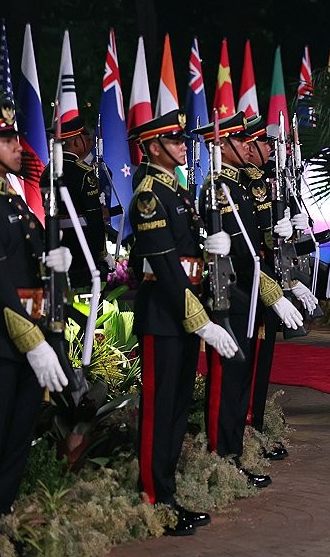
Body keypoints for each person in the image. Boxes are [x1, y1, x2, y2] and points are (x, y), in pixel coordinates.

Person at [0, 102, 72, 557]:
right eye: (5, 140)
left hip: (25, 340)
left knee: (14, 448)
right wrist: (33, 341)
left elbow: (25, 268)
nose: (16, 147)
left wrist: (53, 260)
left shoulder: (11, 199)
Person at [127, 110, 238, 536]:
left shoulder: (179, 192)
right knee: (159, 410)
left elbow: (188, 260)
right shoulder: (150, 196)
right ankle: (155, 499)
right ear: (154, 147)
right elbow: (164, 266)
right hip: (164, 315)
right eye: (173, 140)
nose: (182, 145)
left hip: (186, 312)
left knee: (175, 409)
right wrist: (199, 318)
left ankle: (167, 492)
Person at [192, 113, 304, 487]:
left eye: (246, 140)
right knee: (227, 381)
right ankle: (221, 458)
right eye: (239, 141)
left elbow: (258, 241)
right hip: (232, 293)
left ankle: (234, 452)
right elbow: (240, 251)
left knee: (242, 378)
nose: (248, 146)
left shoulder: (236, 185)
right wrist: (274, 292)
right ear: (221, 146)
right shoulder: (218, 185)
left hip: (249, 291)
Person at [242, 115, 318, 460]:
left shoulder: (274, 179)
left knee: (263, 363)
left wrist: (305, 225)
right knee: (250, 364)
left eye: (271, 144)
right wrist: (277, 232)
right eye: (264, 144)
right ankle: (245, 432)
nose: (270, 149)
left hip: (274, 279)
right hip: (253, 285)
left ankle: (255, 427)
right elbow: (254, 241)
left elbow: (286, 239)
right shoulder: (242, 183)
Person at [40, 113, 110, 294]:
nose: (90, 141)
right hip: (82, 248)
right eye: (87, 137)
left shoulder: (47, 172)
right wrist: (102, 253)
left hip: (56, 244)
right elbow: (94, 218)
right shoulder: (84, 173)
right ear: (77, 141)